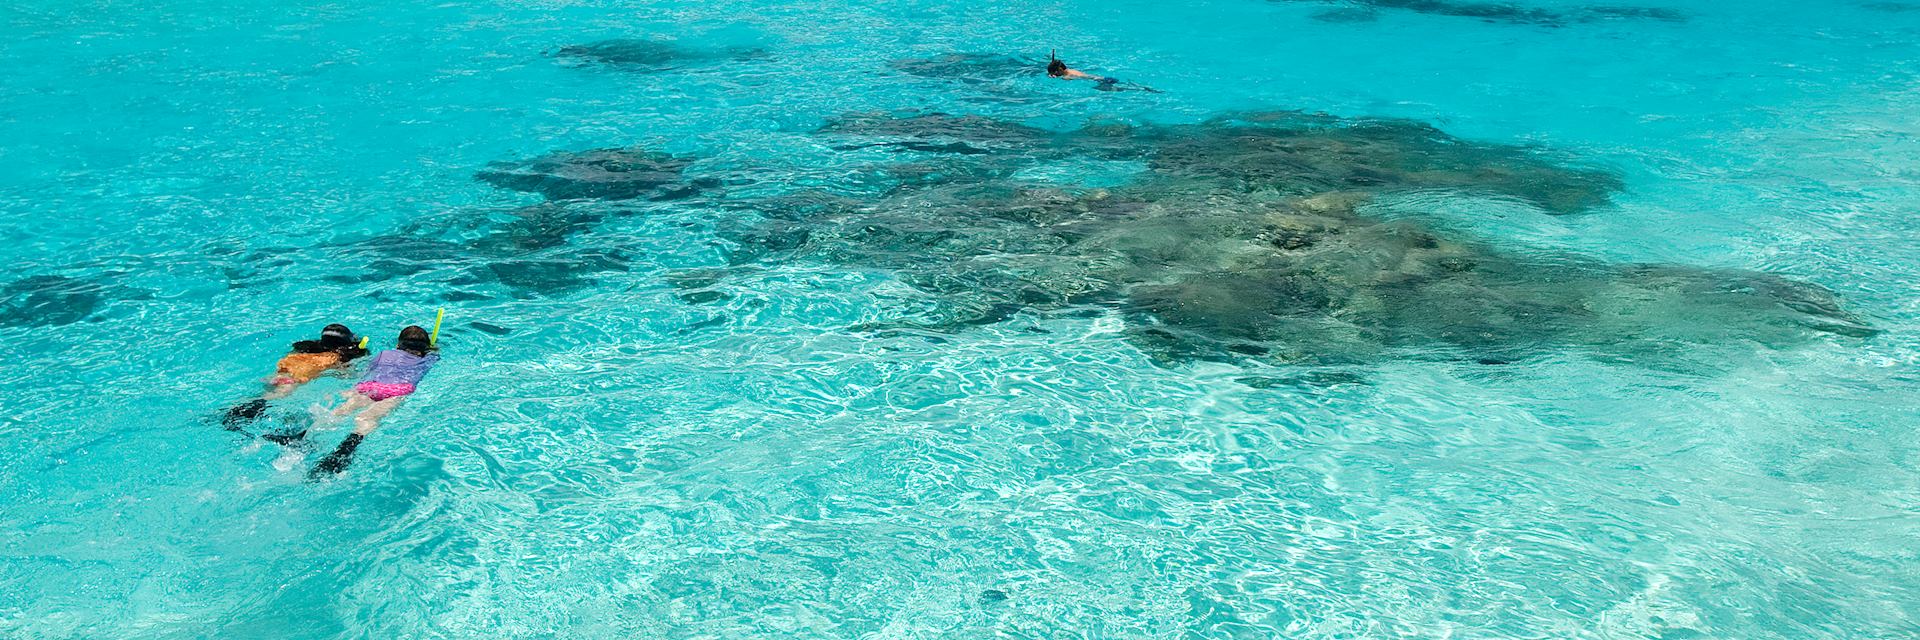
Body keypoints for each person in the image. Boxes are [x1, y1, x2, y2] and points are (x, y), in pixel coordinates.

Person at [309, 325, 440, 478]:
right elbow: (435, 355)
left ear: (398, 345)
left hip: (369, 387)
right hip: (397, 390)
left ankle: (306, 436)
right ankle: (344, 452)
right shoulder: (427, 359)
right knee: (366, 419)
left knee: (339, 412)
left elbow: (368, 371)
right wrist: (433, 349)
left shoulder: (383, 354)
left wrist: (353, 390)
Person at [222, 323, 367, 431]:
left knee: (267, 395)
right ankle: (241, 417)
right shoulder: (336, 357)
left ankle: (232, 411)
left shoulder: (306, 348)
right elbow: (346, 375)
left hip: (284, 369)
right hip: (297, 376)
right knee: (277, 396)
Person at [1046, 51, 1159, 92]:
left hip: (1103, 81)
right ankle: (1145, 88)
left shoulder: (1068, 75)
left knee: (1126, 89)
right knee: (1124, 87)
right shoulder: (1070, 70)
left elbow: (1066, 79)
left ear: (1060, 69)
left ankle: (1145, 89)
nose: (1055, 74)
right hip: (1103, 79)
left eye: (1055, 72)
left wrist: (1055, 78)